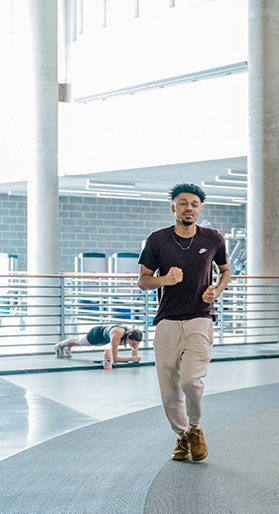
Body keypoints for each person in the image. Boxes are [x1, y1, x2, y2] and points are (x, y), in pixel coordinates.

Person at [138, 183, 231, 464]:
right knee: (168, 388)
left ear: (200, 209)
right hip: (167, 320)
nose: (189, 207)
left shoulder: (213, 239)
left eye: (194, 203)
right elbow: (143, 280)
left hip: (200, 317)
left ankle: (195, 427)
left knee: (191, 380)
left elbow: (225, 271)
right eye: (183, 203)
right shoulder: (157, 240)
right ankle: (181, 436)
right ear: (173, 207)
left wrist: (217, 289)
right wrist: (164, 279)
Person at [54, 325, 143, 362]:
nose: (134, 346)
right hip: (96, 335)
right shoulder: (116, 335)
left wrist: (134, 358)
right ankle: (60, 345)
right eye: (133, 343)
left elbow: (134, 357)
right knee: (79, 342)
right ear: (128, 337)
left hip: (105, 338)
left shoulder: (135, 336)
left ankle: (67, 347)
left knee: (78, 342)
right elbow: (114, 359)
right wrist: (131, 358)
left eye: (136, 344)